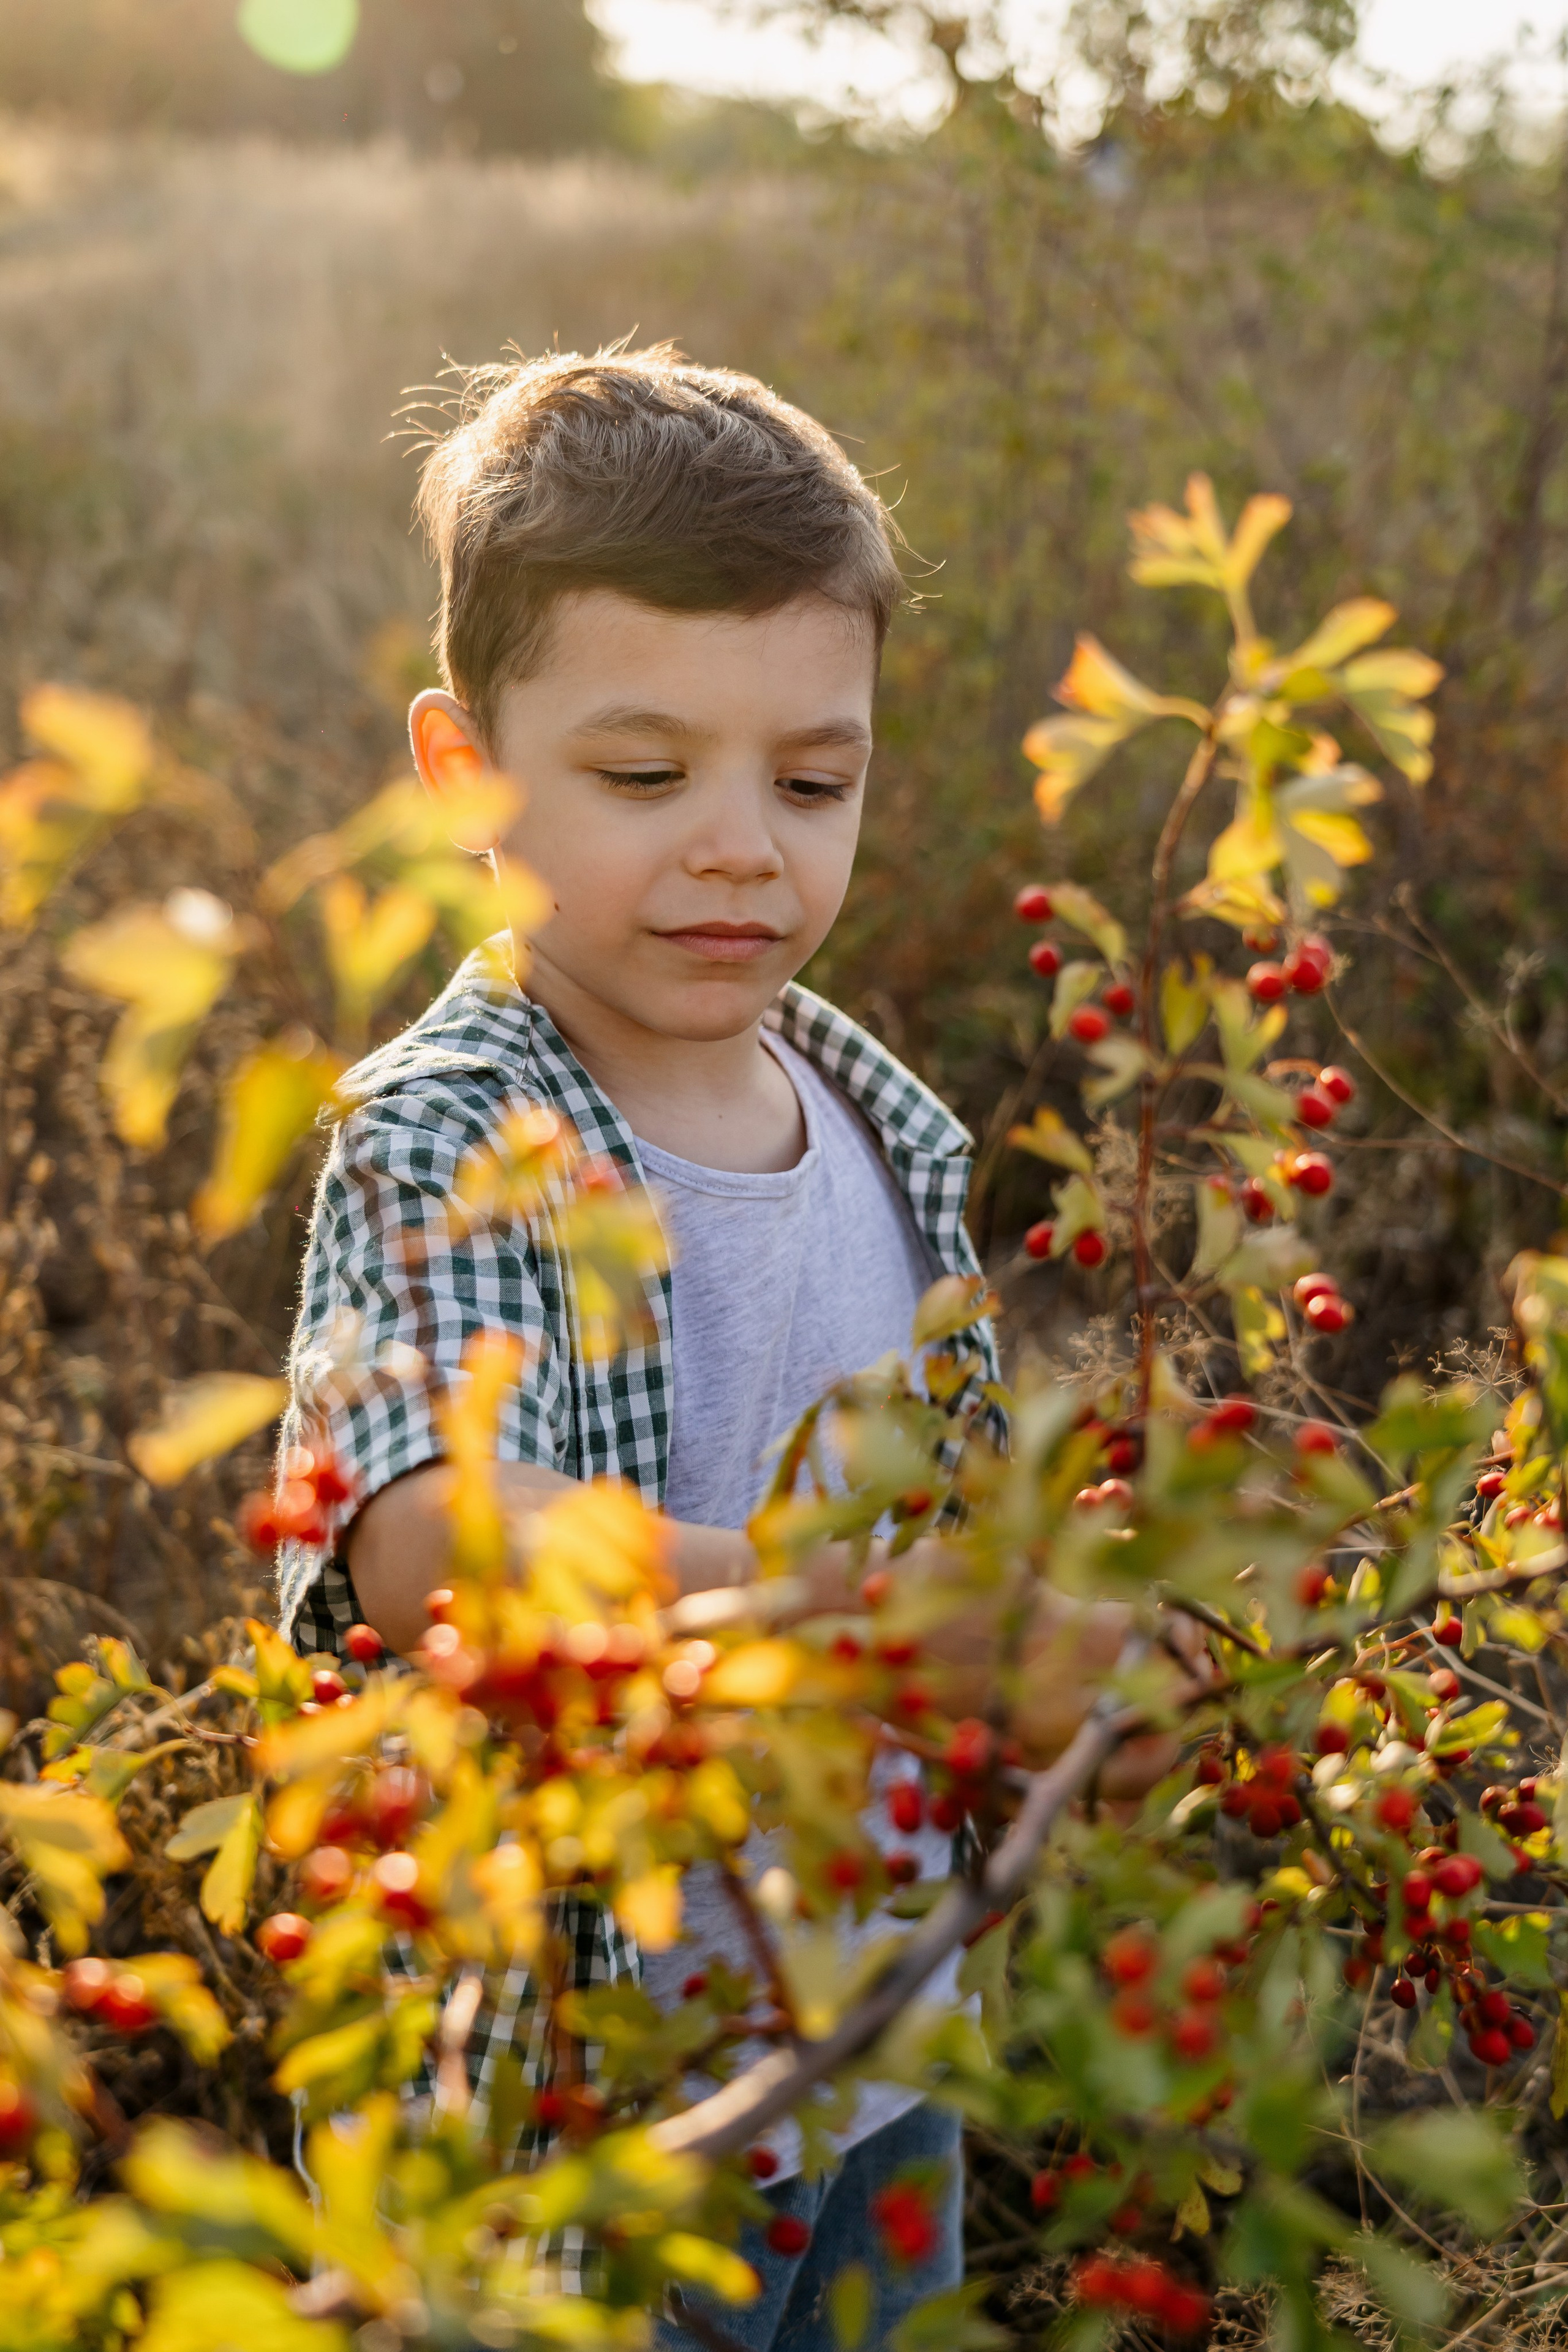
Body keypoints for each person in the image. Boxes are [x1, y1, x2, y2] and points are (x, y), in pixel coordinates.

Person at [277, 345, 1182, 2351]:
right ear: (462, 780)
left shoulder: (878, 1117)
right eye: (640, 774)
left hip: (874, 2040)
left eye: (811, 780)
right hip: (587, 2112)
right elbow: (432, 1540)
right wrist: (856, 1619)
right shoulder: (452, 1127)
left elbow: (968, 1545)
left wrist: (1081, 1649)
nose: (740, 850)